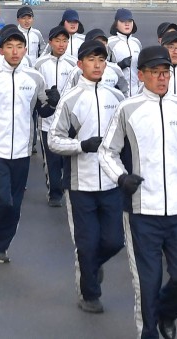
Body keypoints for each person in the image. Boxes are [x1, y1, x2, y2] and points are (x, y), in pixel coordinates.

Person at [98, 45, 177, 339]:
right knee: (146, 286)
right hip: (141, 213)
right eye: (155, 73)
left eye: (165, 73)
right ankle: (149, 332)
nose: (162, 78)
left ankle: (168, 313)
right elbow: (106, 152)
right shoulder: (128, 109)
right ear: (141, 75)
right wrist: (121, 178)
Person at [0, 25, 59, 263]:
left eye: (19, 47)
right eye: (9, 46)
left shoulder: (35, 77)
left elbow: (43, 110)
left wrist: (53, 104)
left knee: (15, 204)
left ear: (25, 49)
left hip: (23, 150)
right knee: (1, 197)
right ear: (1, 49)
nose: (15, 51)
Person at [48, 39, 126, 314]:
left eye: (102, 60)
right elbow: (53, 141)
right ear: (80, 64)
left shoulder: (116, 98)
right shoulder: (70, 99)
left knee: (115, 241)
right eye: (92, 60)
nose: (97, 65)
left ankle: (92, 267)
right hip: (80, 184)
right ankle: (89, 293)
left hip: (112, 182)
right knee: (87, 242)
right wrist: (81, 145)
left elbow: (127, 139)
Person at [33, 25, 78, 207]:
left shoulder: (74, 64)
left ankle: (67, 188)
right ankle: (54, 192)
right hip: (47, 120)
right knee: (51, 159)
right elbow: (37, 91)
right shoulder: (40, 64)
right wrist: (46, 103)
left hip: (67, 122)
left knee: (66, 158)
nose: (61, 44)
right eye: (58, 40)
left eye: (65, 41)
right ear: (50, 42)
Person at [62, 28, 130, 96]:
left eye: (104, 41)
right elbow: (66, 96)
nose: (103, 44)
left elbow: (125, 92)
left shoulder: (115, 69)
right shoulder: (77, 71)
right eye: (98, 41)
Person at [108, 8, 142, 95]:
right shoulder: (109, 43)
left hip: (136, 93)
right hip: (117, 93)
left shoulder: (137, 43)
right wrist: (120, 65)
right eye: (123, 21)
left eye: (130, 21)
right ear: (116, 24)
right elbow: (103, 68)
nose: (127, 24)